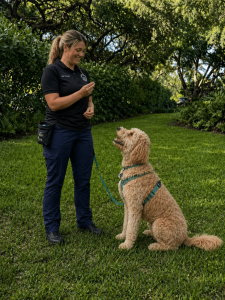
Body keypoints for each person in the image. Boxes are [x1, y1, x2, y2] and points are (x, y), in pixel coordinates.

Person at [41, 30, 102, 245]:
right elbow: (54, 103)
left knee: (83, 181)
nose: (81, 54)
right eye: (78, 50)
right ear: (65, 47)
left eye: (83, 51)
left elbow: (89, 99)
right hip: (59, 132)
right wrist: (80, 95)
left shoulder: (82, 73)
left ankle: (84, 222)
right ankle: (52, 228)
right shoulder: (52, 71)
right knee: (55, 181)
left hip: (83, 133)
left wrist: (91, 108)